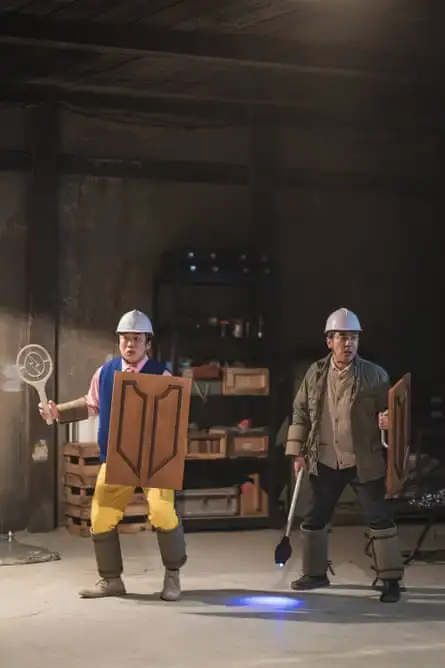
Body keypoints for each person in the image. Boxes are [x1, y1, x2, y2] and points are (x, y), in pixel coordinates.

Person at [39, 309, 187, 601]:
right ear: (118, 341)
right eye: (125, 339)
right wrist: (58, 413)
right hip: (116, 456)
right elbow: (90, 403)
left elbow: (173, 416)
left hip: (153, 459)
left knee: (162, 512)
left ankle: (172, 576)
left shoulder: (162, 375)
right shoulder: (105, 373)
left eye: (136, 339)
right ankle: (111, 580)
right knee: (102, 515)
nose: (130, 344)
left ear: (148, 343)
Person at [285, 307, 404, 603]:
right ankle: (314, 573)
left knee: (378, 517)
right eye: (342, 337)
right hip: (326, 459)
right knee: (314, 517)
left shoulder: (375, 375)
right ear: (329, 341)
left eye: (353, 337)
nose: (348, 343)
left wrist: (389, 419)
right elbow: (300, 413)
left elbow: (390, 410)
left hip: (363, 459)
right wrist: (296, 452)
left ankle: (390, 579)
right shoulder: (315, 374)